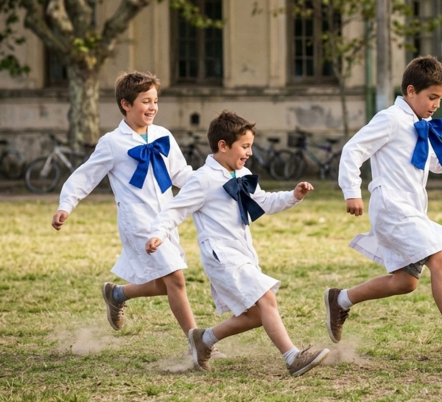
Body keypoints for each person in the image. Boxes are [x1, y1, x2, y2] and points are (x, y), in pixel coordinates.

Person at [324, 56, 442, 360]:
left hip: (410, 209)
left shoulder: (421, 125)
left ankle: (341, 300)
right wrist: (352, 192)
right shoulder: (390, 119)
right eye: (432, 98)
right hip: (391, 206)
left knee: (405, 282)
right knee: (441, 261)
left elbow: (436, 162)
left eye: (440, 100)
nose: (436, 105)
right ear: (411, 90)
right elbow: (353, 150)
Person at [146, 110, 329, 376]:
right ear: (223, 146)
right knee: (266, 298)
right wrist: (158, 234)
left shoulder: (241, 173)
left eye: (250, 146)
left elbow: (264, 201)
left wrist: (293, 195)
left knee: (254, 314)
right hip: (221, 256)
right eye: (244, 147)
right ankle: (293, 357)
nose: (249, 153)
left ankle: (204, 339)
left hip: (242, 253)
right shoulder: (202, 179)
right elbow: (175, 210)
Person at [51, 71, 214, 353]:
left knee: (165, 285)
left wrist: (212, 187)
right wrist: (66, 205)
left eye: (155, 101)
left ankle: (117, 294)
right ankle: (196, 342)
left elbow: (180, 174)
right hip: (137, 222)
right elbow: (84, 176)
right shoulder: (112, 143)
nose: (152, 107)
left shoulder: (163, 135)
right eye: (145, 101)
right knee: (176, 279)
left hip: (165, 220)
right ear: (126, 104)